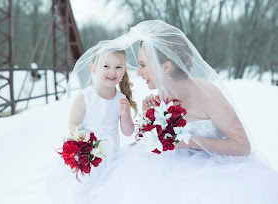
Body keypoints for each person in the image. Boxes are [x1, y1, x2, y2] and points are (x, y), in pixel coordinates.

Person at [87, 20, 278, 204]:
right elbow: (147, 142)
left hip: (211, 176)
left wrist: (191, 142)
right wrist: (147, 116)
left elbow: (242, 146)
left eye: (144, 65)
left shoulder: (208, 94)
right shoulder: (162, 94)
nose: (139, 72)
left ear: (167, 67)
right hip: (164, 173)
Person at [47, 49, 136, 204]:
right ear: (93, 69)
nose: (112, 71)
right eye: (106, 66)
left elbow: (128, 132)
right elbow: (74, 123)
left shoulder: (121, 99)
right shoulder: (86, 96)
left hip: (111, 153)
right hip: (87, 153)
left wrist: (126, 115)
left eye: (118, 67)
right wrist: (83, 141)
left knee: (108, 187)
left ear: (124, 71)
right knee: (84, 186)